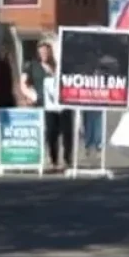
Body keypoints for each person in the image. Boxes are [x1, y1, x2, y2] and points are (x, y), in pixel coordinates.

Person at [21, 39, 73, 172]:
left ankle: (68, 159)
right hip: (46, 104)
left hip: (62, 103)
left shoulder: (58, 65)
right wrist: (31, 96)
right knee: (51, 133)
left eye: (46, 51)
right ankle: (54, 160)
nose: (44, 54)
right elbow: (23, 83)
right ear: (38, 53)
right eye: (42, 52)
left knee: (67, 132)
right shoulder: (32, 66)